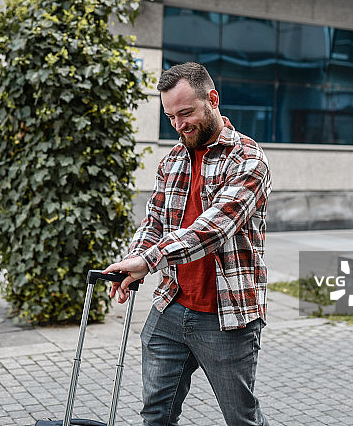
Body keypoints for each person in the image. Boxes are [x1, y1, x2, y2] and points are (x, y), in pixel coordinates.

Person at [104, 61, 272, 426]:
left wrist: (149, 261)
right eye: (171, 117)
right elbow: (154, 221)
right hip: (171, 306)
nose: (179, 125)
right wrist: (133, 263)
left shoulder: (249, 159)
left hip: (226, 315)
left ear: (212, 99)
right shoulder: (173, 160)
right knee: (155, 416)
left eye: (186, 113)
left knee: (241, 419)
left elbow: (212, 230)